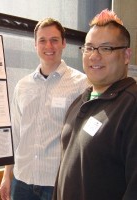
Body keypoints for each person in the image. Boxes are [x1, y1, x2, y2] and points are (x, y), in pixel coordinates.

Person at [0, 18, 88, 200]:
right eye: (42, 40)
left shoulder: (82, 84)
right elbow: (15, 133)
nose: (49, 45)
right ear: (35, 45)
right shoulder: (22, 86)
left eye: (54, 40)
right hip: (22, 180)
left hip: (56, 183)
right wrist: (6, 175)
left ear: (64, 43)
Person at [52, 9, 137, 200]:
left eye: (106, 48)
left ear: (126, 55)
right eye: (89, 48)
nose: (94, 56)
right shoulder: (81, 101)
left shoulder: (130, 105)